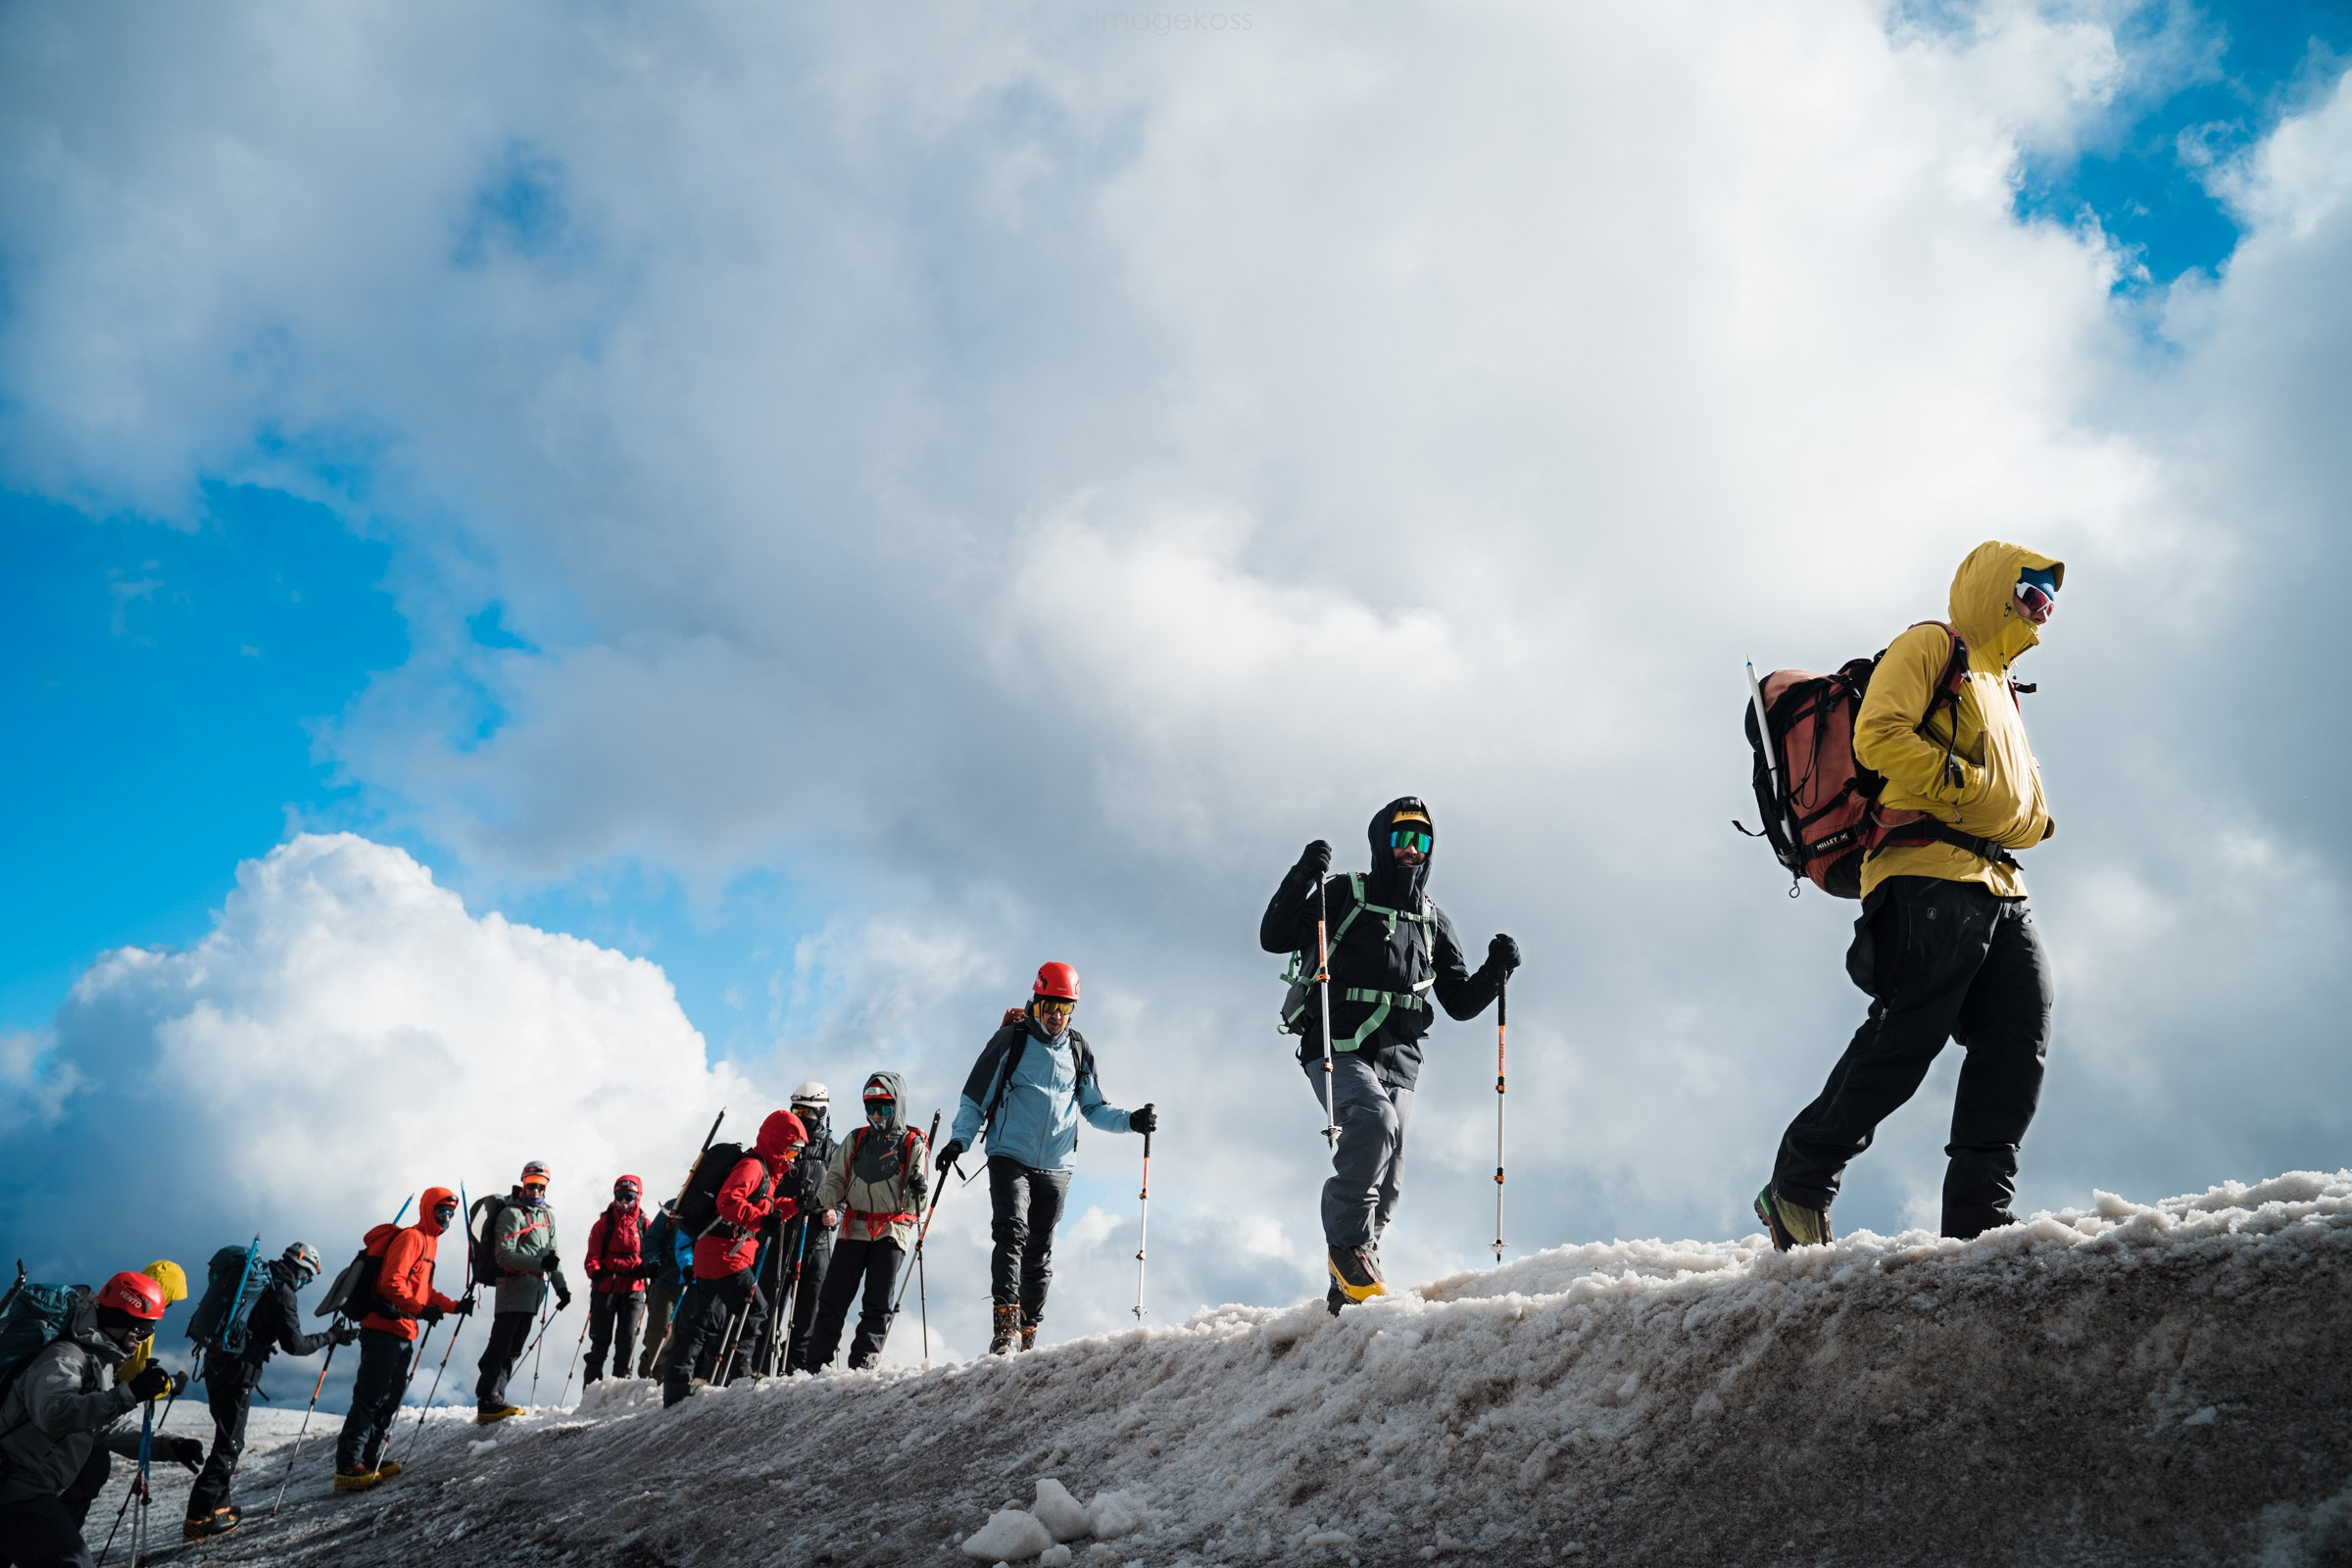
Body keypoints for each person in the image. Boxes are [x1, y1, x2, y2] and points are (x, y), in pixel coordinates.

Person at [1757, 543, 2064, 1250]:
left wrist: (2030, 816)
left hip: (1998, 881)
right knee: (1907, 1036)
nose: (2041, 604)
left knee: (2018, 1041)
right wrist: (1966, 785)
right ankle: (1798, 1185)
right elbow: (1880, 735)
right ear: (1994, 587)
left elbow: (2004, 785)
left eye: (2051, 596)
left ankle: (1978, 1221)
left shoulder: (1999, 680)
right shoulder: (1934, 645)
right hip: (1925, 871)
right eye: (2030, 588)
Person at [1259, 797, 1517, 1311]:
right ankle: (1349, 1246)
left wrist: (1496, 971)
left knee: (1391, 1178)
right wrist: (1302, 875)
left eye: (1422, 841)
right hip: (1336, 1044)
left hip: (1401, 1058)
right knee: (1374, 1123)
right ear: (1382, 842)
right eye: (1402, 838)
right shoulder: (1345, 894)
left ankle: (1352, 1284)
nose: (1411, 850)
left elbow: (1460, 1002)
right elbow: (1274, 936)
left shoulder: (1431, 920)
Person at [939, 963, 1153, 1354]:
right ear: (1035, 1002)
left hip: (1057, 1165)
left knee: (1039, 1250)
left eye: (1064, 1009)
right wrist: (959, 1141)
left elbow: (1094, 1108)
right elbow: (975, 1098)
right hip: (1009, 1155)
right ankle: (1004, 1328)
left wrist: (1132, 1122)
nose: (1056, 1016)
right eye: (1048, 1007)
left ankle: (1028, 1333)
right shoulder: (1010, 1041)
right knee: (1011, 1232)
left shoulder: (1078, 1048)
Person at [0, 1271, 182, 1568]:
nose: (142, 1341)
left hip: (24, 1484)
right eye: (141, 1332)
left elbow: (102, 1425)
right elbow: (55, 1414)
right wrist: (130, 1394)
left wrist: (169, 1445)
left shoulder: (98, 1359)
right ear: (121, 1321)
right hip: (17, 1487)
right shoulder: (65, 1356)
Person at [183, 1244, 354, 1539]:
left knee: (227, 1438)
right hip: (239, 1373)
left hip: (216, 1365)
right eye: (308, 1278)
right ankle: (198, 1518)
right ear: (302, 1271)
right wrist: (332, 1336)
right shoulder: (283, 1292)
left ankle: (220, 1507)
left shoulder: (264, 1277)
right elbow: (296, 1345)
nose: (306, 1284)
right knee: (230, 1445)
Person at [662, 1109, 810, 1408]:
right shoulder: (753, 1167)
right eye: (793, 1148)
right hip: (725, 1255)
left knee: (703, 1320)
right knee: (754, 1311)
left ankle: (677, 1386)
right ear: (780, 1143)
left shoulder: (763, 1168)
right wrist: (760, 1220)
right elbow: (728, 1202)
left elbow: (764, 1205)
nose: (794, 1156)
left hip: (715, 1253)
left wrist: (794, 1205)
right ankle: (739, 1378)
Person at [334, 1186, 467, 1491]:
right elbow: (390, 1282)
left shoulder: (430, 1243)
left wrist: (452, 1306)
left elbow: (422, 1289)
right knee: (370, 1395)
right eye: (441, 1211)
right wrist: (421, 1310)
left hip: (404, 1330)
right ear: (427, 1210)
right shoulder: (412, 1237)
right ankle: (348, 1465)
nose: (446, 1218)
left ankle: (368, 1458)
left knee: (389, 1398)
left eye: (450, 1214)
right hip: (383, 1327)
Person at [803, 1072, 929, 1371]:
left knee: (877, 1302)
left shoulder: (913, 1143)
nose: (875, 1114)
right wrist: (821, 1200)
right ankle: (816, 1363)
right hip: (854, 1228)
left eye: (884, 1107)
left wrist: (918, 1188)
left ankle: (863, 1361)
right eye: (870, 1106)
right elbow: (836, 1179)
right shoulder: (856, 1139)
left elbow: (916, 1205)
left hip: (891, 1230)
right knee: (833, 1299)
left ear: (896, 1105)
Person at [474, 1160, 569, 1422]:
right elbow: (504, 1256)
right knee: (501, 1345)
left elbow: (553, 1255)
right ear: (523, 1183)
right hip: (512, 1288)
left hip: (533, 1293)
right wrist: (540, 1264)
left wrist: (561, 1288)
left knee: (513, 1347)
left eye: (540, 1186)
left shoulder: (548, 1215)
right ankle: (488, 1400)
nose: (536, 1191)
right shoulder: (511, 1215)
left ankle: (495, 1399)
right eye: (531, 1185)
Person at [778, 1082, 839, 1374]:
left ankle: (796, 1368)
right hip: (782, 1232)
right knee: (772, 1301)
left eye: (807, 1111)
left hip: (817, 1237)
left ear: (822, 1112)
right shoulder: (785, 1146)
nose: (801, 1116)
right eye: (796, 1109)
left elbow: (844, 1189)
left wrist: (833, 1212)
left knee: (810, 1307)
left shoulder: (833, 1150)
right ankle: (760, 1366)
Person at [581, 1175, 650, 1387]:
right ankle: (591, 1389)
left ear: (637, 1197)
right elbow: (592, 1257)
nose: (623, 1202)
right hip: (605, 1288)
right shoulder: (604, 1224)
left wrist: (647, 1268)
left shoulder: (644, 1224)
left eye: (629, 1197)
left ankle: (619, 1386)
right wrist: (595, 1272)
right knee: (600, 1341)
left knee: (626, 1341)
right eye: (620, 1196)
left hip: (633, 1289)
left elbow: (652, 1251)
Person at [636, 1200, 688, 1379]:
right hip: (667, 1280)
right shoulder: (676, 1205)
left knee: (683, 1337)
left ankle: (663, 1375)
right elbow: (652, 1239)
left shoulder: (717, 1205)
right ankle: (655, 1377)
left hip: (696, 1284)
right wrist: (651, 1262)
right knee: (660, 1335)